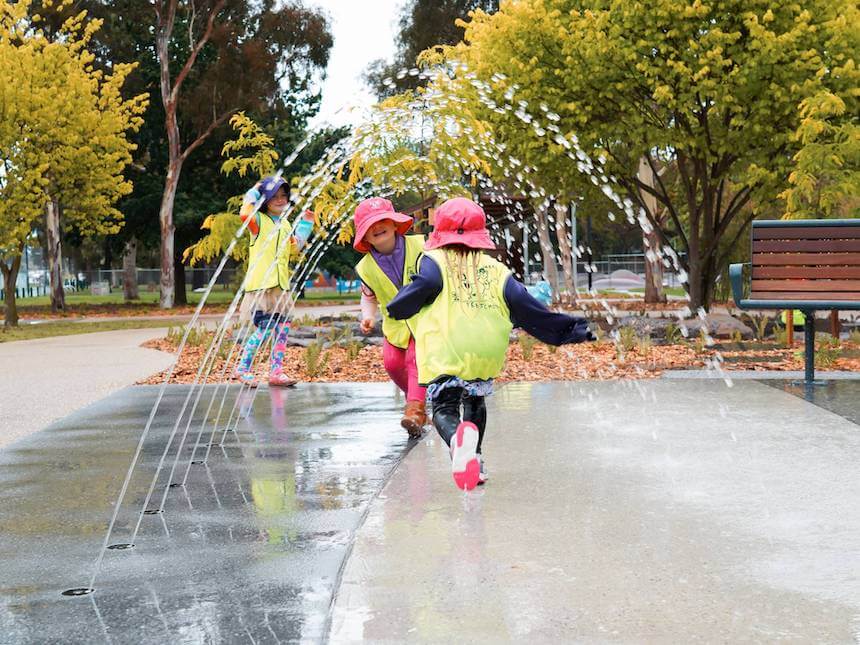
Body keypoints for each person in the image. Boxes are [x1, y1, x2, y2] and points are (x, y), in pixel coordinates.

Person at [388, 197, 595, 491]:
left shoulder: (432, 262)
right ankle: (477, 459)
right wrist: (571, 329)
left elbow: (423, 288)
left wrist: (397, 307)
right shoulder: (497, 270)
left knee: (445, 409)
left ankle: (458, 442)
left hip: (446, 350)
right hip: (483, 351)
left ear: (439, 234)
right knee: (474, 401)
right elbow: (526, 307)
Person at [353, 197, 428, 436]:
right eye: (369, 226)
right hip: (395, 325)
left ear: (396, 224)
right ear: (364, 237)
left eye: (382, 220)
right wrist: (368, 316)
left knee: (415, 359)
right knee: (393, 364)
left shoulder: (421, 246)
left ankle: (416, 408)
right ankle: (417, 398)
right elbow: (368, 295)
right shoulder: (366, 266)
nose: (377, 227)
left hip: (424, 317)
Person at [235, 175, 315, 388]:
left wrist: (306, 224)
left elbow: (294, 248)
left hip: (280, 287)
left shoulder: (286, 224)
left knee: (283, 328)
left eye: (283, 196)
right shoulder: (259, 221)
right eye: (274, 197)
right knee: (266, 328)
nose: (280, 200)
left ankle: (276, 372)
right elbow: (244, 214)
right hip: (262, 288)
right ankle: (243, 368)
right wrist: (254, 190)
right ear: (265, 200)